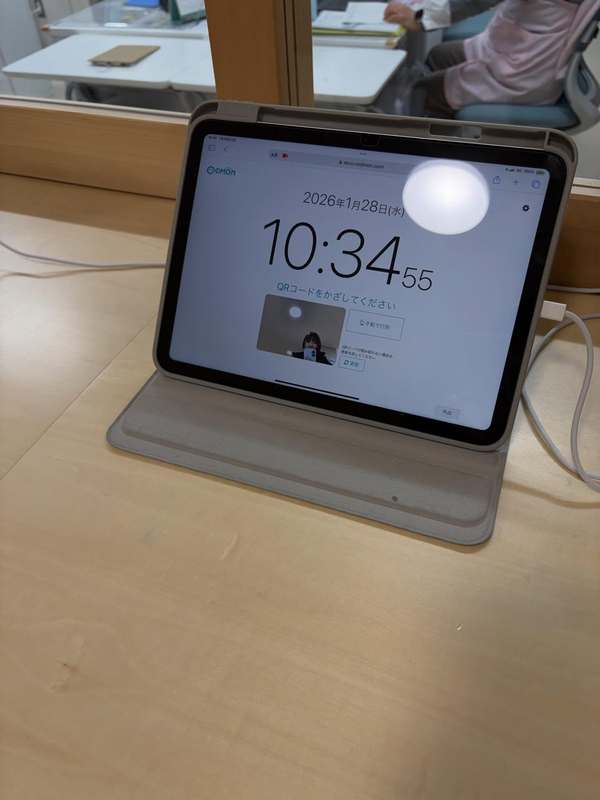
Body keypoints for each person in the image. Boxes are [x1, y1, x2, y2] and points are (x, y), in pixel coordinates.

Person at [384, 0, 586, 118]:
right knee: (438, 56)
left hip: (523, 70)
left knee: (421, 92)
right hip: (510, 44)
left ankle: (442, 150)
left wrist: (419, 17)